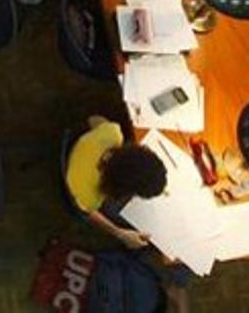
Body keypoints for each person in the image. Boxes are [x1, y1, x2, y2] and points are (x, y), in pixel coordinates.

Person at [66, 116, 188, 312]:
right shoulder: (89, 195)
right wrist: (119, 232)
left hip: (81, 163)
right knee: (158, 231)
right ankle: (178, 283)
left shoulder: (113, 134)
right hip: (82, 190)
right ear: (123, 190)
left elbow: (93, 120)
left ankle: (178, 281)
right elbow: (87, 213)